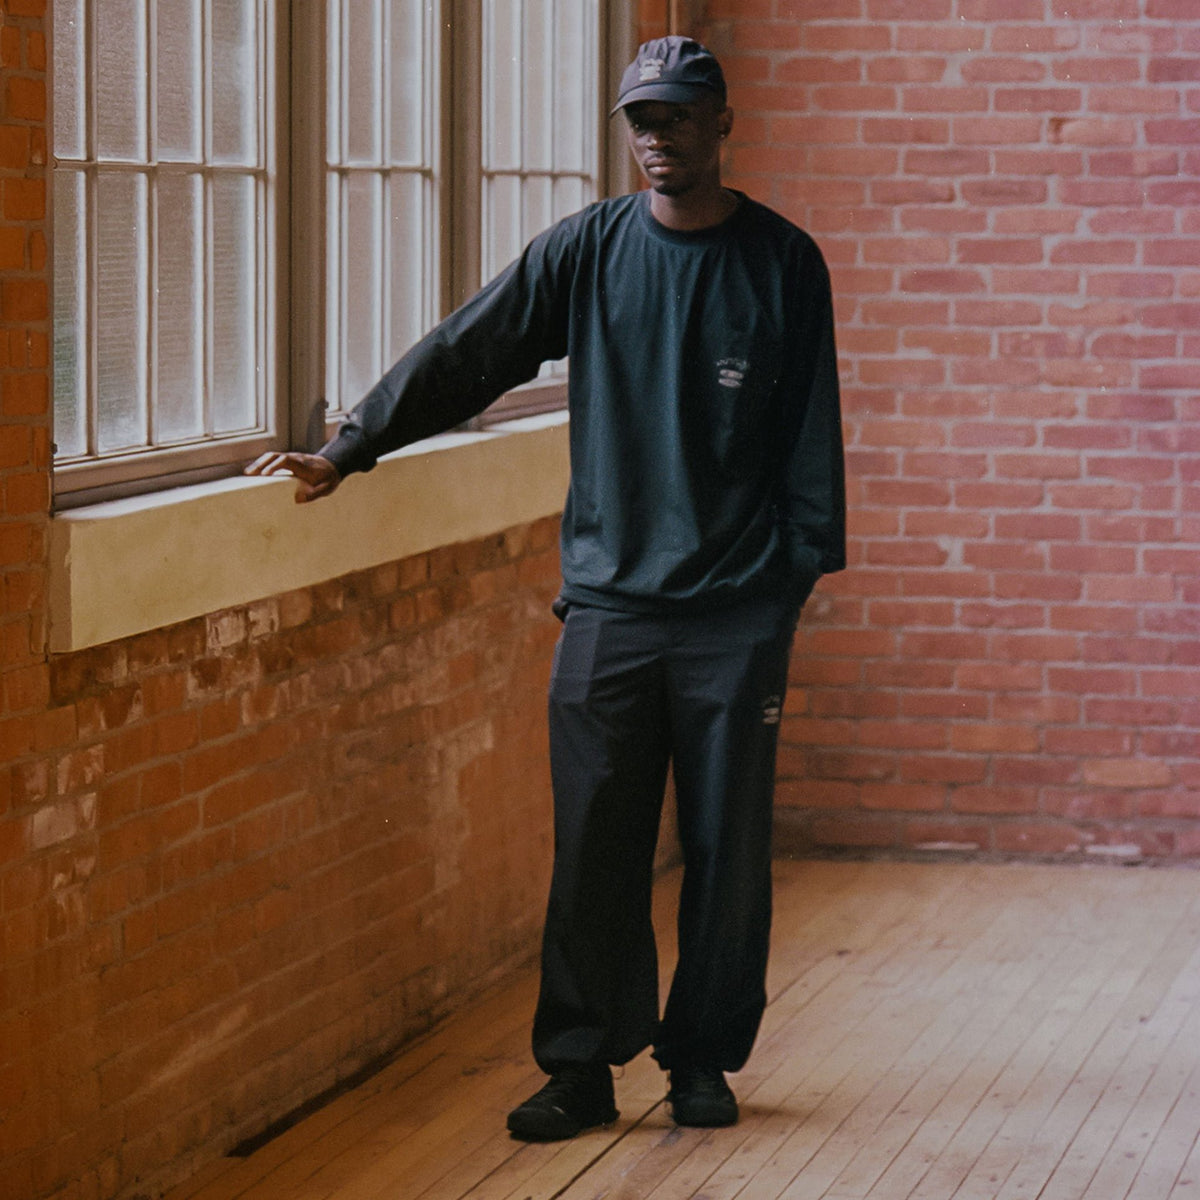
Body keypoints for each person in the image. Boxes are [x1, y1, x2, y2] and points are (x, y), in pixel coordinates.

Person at [246, 35, 845, 1141]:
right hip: (611, 609)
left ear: (722, 124)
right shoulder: (587, 251)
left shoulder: (781, 262)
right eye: (640, 122)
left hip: (734, 614)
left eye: (676, 117)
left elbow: (813, 442)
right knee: (595, 848)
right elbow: (472, 350)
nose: (657, 139)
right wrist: (350, 445)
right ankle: (580, 1066)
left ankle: (702, 1058)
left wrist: (786, 589)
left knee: (726, 848)